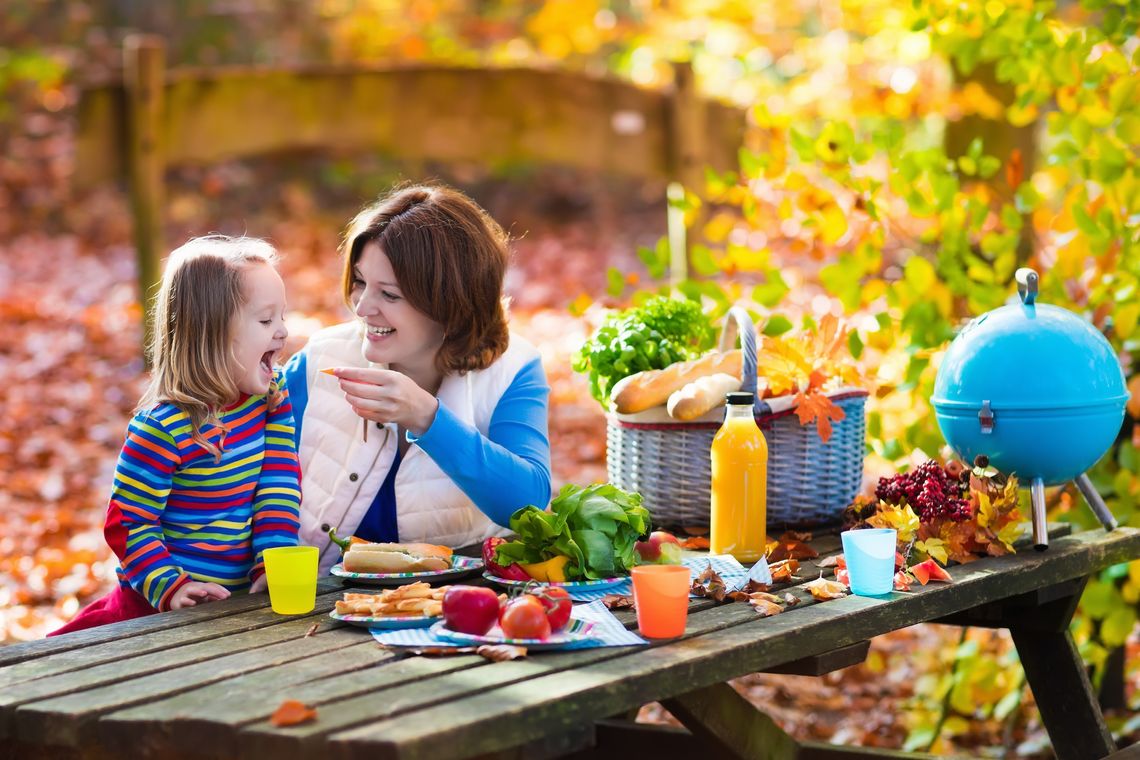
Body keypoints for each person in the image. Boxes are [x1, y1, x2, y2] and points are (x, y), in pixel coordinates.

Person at [284, 184, 551, 573]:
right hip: (314, 598)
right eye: (360, 281)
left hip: (454, 597)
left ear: (451, 304)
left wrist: (428, 418)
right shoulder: (319, 360)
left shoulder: (513, 370)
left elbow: (528, 506)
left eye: (389, 295)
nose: (362, 307)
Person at [49, 236, 302, 635]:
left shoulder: (270, 397)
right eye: (266, 320)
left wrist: (273, 557)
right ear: (212, 333)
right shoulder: (163, 428)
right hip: (156, 611)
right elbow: (128, 523)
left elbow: (278, 480)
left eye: (282, 316)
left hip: (234, 606)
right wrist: (172, 586)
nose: (283, 332)